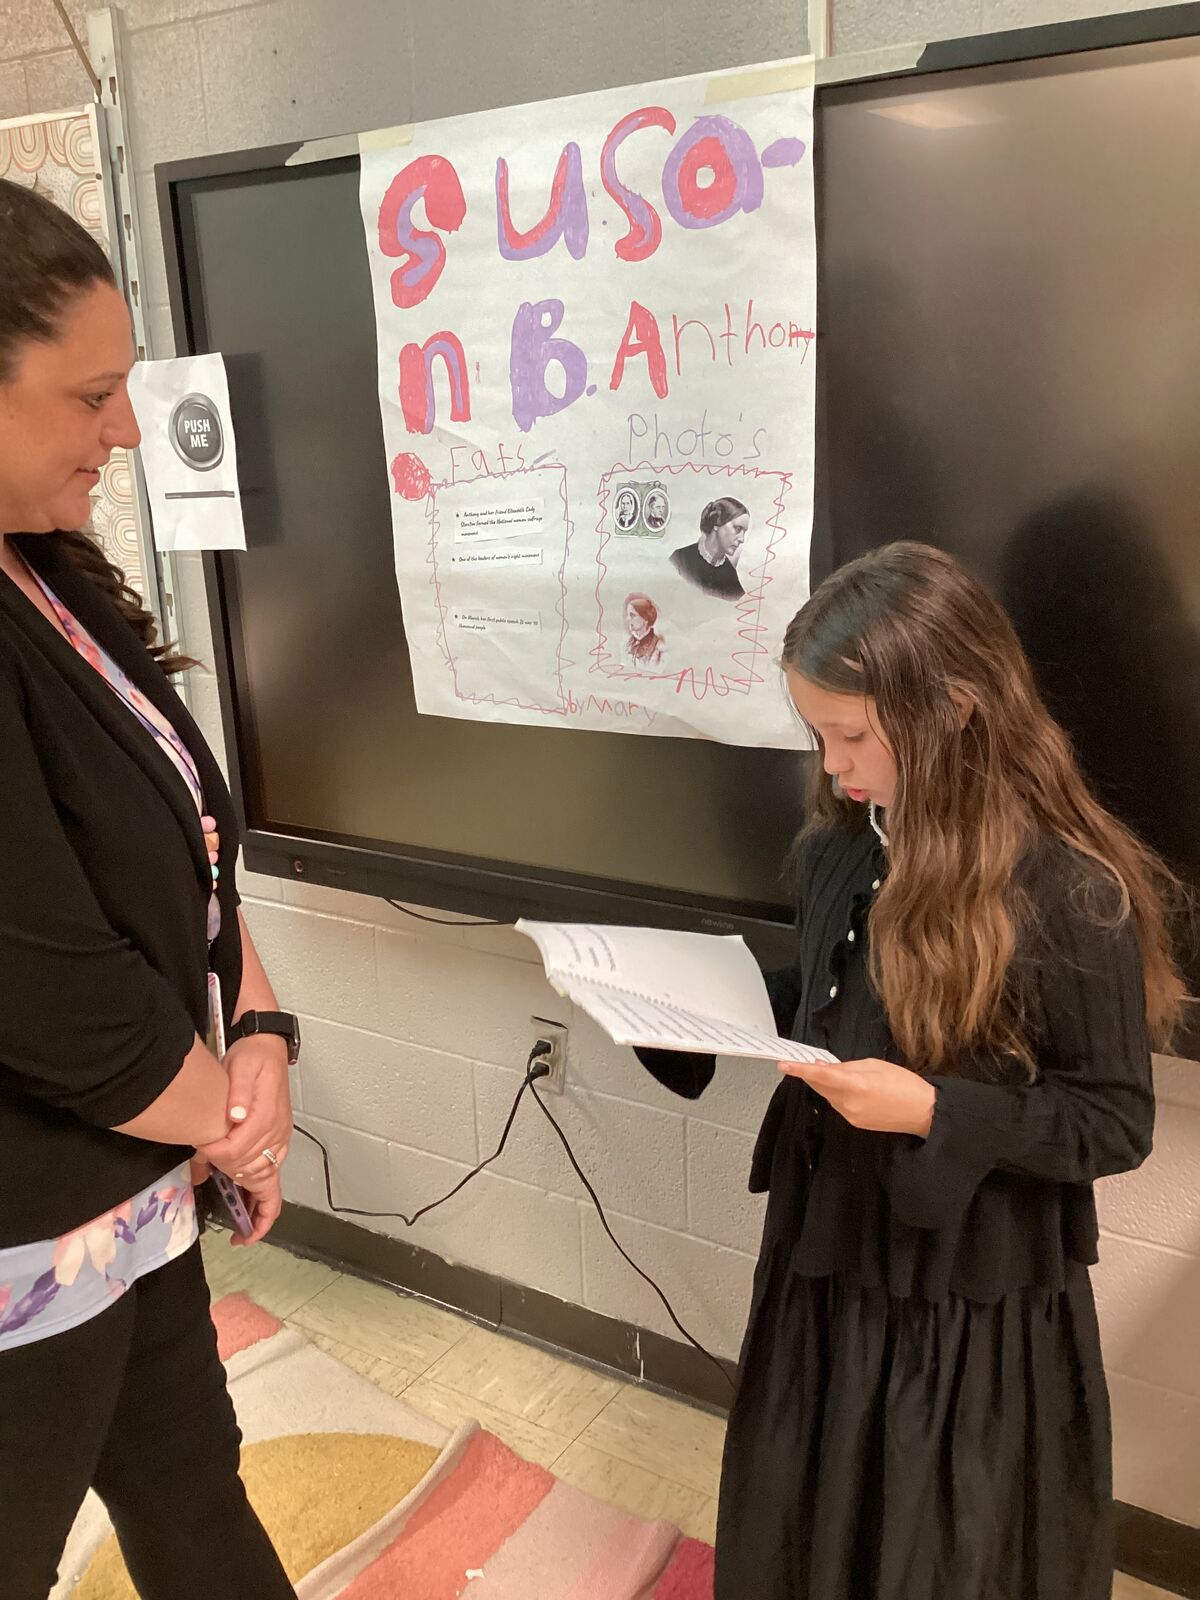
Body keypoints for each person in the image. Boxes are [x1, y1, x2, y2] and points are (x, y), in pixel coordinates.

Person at [637, 542, 1184, 1600]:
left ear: (957, 707)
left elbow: (1112, 1118)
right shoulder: (847, 842)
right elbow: (841, 980)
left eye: (852, 735)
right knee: (816, 1500)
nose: (835, 765)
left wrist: (935, 1106)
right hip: (829, 1244)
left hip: (963, 1292)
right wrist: (687, 998)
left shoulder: (1071, 888)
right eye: (819, 734)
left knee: (938, 1541)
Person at [0, 180, 297, 1597]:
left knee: (196, 1505)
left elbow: (194, 858)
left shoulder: (46, 574)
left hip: (140, 1194)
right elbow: (60, 1001)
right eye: (92, 395)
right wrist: (238, 1127)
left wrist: (265, 1033)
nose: (125, 431)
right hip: (31, 1241)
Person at [670, 496, 749, 599]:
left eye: (744, 532)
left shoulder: (730, 575)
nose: (741, 539)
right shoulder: (680, 559)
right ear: (717, 523)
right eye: (737, 529)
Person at [624, 591, 664, 666]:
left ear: (645, 619)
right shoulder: (627, 644)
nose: (627, 619)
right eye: (628, 615)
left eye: (632, 615)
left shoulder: (658, 646)